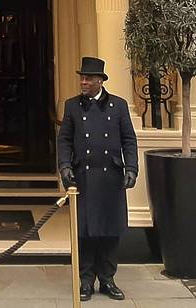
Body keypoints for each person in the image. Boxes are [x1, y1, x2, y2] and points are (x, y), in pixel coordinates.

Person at [57, 56, 138, 301]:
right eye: (82, 78)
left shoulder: (119, 105)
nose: (83, 82)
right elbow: (64, 140)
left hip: (111, 178)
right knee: (85, 231)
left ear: (100, 81)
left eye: (88, 78)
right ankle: (85, 281)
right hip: (84, 177)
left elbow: (129, 139)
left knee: (110, 231)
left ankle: (107, 279)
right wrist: (65, 166)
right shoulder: (72, 106)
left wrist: (131, 168)